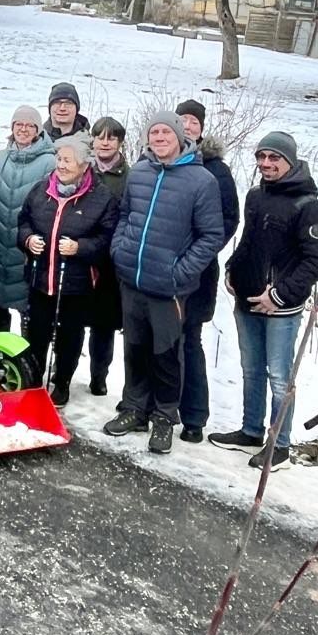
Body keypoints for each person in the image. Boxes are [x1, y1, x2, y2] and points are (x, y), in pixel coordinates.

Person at [104, 111, 224, 454]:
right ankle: (134, 409)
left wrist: (180, 272)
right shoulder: (140, 172)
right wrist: (120, 250)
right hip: (133, 279)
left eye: (165, 132)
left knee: (167, 355)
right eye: (154, 132)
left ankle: (164, 418)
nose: (159, 138)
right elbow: (126, 215)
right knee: (135, 349)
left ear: (179, 137)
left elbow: (211, 235)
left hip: (169, 287)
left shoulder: (201, 180)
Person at [210, 132, 318, 470]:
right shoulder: (256, 195)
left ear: (289, 161)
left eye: (274, 158)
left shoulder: (307, 206)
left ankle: (279, 445)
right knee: (251, 370)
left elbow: (314, 261)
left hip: (280, 307)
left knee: (279, 377)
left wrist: (278, 295)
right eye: (261, 157)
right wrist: (232, 268)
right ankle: (251, 431)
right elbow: (248, 240)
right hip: (247, 299)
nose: (266, 164)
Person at [18, 134, 119, 404]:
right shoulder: (41, 189)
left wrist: (80, 247)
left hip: (76, 283)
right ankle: (33, 381)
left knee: (69, 336)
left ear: (84, 165)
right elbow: (24, 220)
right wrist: (28, 239)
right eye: (59, 159)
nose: (61, 165)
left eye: (68, 161)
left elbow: (107, 238)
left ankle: (62, 382)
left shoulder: (102, 197)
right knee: (36, 333)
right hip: (41, 278)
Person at [173, 99, 240, 441]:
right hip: (161, 267)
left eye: (194, 121)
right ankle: (161, 407)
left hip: (197, 273)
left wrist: (197, 254)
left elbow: (228, 220)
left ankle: (194, 417)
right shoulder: (160, 160)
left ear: (201, 128)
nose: (187, 125)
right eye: (182, 119)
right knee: (160, 341)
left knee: (189, 340)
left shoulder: (216, 170)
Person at [0, 105, 55, 334]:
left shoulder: (49, 162)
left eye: (29, 125)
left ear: (38, 130)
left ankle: (27, 350)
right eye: (18, 124)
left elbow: (49, 206)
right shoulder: (2, 157)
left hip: (26, 244)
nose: (23, 129)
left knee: (27, 306)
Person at [86, 117, 130, 395]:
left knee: (103, 324)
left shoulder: (129, 176)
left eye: (111, 138)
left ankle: (98, 376)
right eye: (100, 137)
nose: (104, 143)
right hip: (80, 253)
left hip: (110, 260)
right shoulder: (82, 168)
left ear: (119, 143)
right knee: (72, 319)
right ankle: (62, 374)